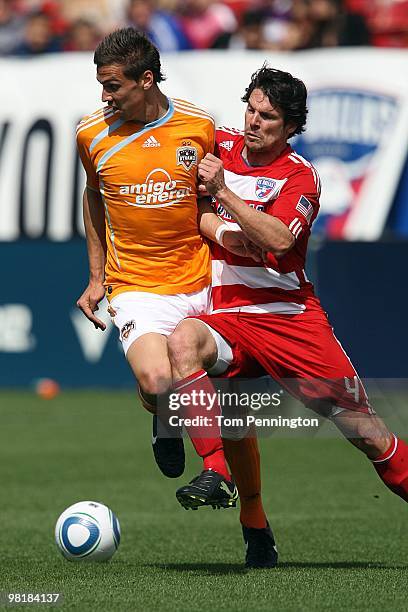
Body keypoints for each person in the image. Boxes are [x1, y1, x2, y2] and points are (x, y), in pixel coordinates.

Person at [163, 66, 408, 568]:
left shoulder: (301, 176)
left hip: (289, 319)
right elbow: (189, 208)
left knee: (367, 434)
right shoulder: (220, 144)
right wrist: (223, 229)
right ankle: (226, 488)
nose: (253, 122)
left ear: (290, 125)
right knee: (185, 345)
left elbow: (279, 239)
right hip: (229, 316)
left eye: (268, 116)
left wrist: (225, 197)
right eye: (250, 109)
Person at [75, 27, 249, 507]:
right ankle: (164, 415)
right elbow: (94, 197)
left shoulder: (198, 126)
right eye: (101, 85)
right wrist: (95, 277)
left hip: (198, 277)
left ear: (146, 80)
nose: (104, 95)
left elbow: (208, 200)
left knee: (206, 381)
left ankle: (185, 435)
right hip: (135, 284)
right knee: (156, 382)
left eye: (113, 85)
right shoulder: (92, 133)